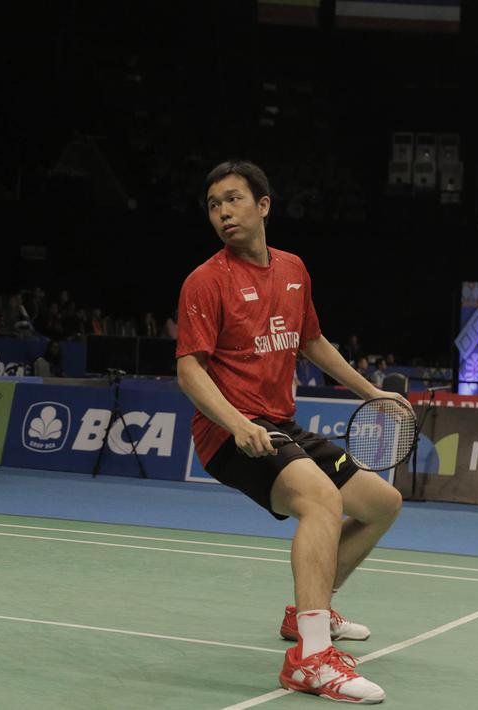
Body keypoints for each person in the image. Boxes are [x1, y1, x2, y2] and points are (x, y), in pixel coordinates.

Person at [175, 160, 403, 704]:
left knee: (382, 502)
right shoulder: (206, 281)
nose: (224, 212)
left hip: (281, 424)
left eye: (233, 199)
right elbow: (189, 368)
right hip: (227, 432)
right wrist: (235, 423)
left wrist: (371, 391)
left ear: (264, 205)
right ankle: (310, 657)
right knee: (321, 501)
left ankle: (306, 609)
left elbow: (312, 341)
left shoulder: (294, 269)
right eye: (213, 205)